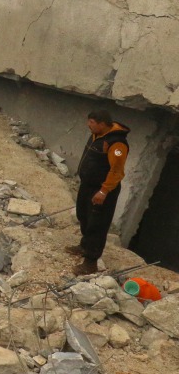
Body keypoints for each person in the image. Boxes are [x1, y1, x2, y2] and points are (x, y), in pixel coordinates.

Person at [68, 110, 130, 276]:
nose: (89, 126)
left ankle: (90, 262)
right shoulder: (97, 135)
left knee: (97, 224)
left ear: (102, 123)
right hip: (87, 186)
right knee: (83, 215)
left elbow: (116, 171)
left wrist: (103, 191)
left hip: (102, 190)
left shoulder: (117, 144)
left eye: (92, 123)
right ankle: (84, 245)